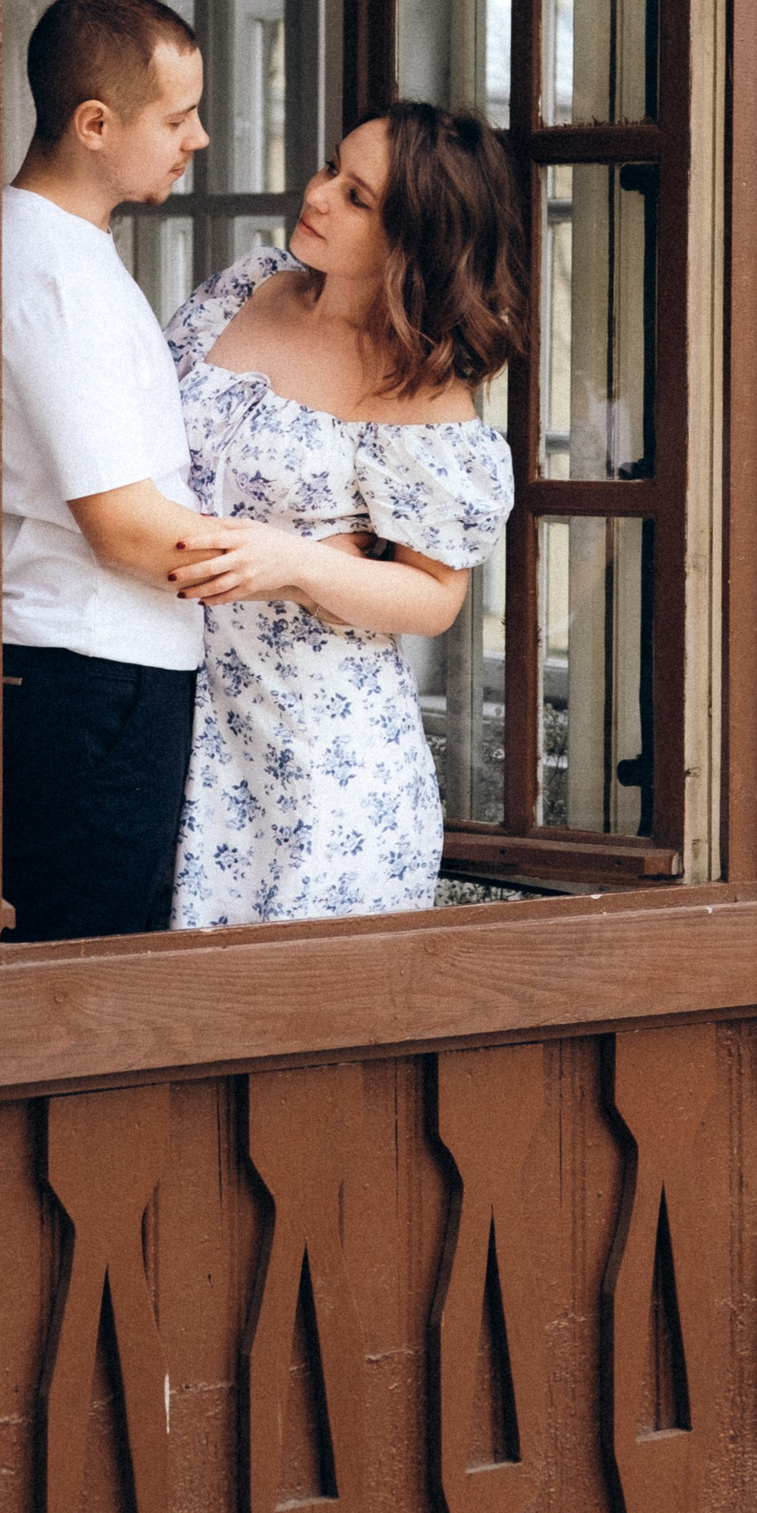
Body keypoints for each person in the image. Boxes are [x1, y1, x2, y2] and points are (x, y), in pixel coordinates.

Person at [163, 102, 524, 927]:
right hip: (172, 709)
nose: (317, 194)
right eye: (331, 167)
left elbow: (435, 599)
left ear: (413, 240)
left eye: (357, 198)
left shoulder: (421, 388)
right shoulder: (246, 288)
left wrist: (297, 561)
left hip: (320, 759)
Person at [0, 0, 224, 939]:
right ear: (94, 124)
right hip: (92, 676)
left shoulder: (60, 253)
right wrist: (315, 573)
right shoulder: (56, 277)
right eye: (177, 117)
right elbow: (125, 527)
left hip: (90, 669)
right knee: (84, 960)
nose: (198, 137)